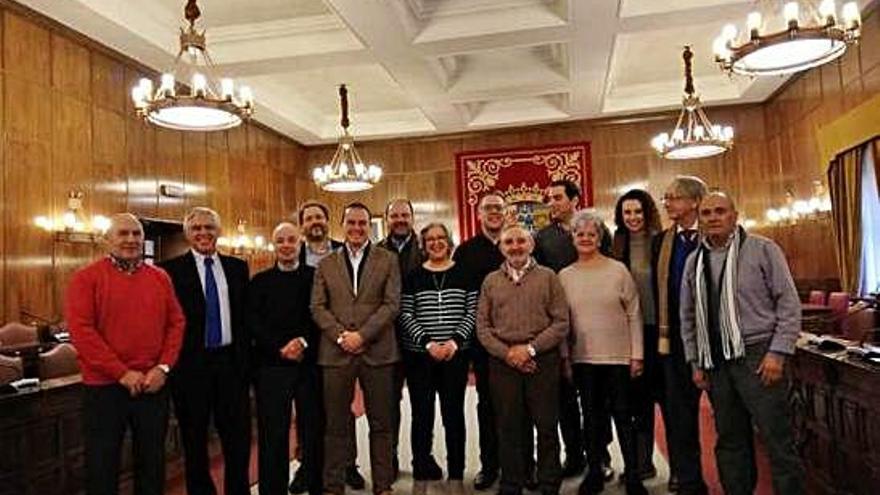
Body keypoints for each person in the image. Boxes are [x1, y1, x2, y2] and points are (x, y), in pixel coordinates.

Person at [680, 192, 805, 495]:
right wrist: (695, 362)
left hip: (759, 356)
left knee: (778, 440)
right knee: (730, 440)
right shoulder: (694, 262)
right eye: (706, 212)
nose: (712, 217)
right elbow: (687, 317)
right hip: (716, 361)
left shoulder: (762, 249)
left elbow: (788, 304)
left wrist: (778, 352)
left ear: (734, 215)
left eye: (720, 211)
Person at [65, 213, 184, 495]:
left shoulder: (160, 277)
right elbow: (82, 332)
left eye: (136, 234)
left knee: (153, 462)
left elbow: (177, 323)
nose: (131, 239)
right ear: (108, 240)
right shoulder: (86, 278)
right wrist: (121, 372)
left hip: (152, 384)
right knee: (102, 463)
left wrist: (163, 368)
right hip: (105, 388)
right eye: (123, 234)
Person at [161, 207, 252, 495]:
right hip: (191, 367)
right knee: (194, 439)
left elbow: (244, 318)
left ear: (219, 231)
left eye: (209, 227)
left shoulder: (238, 267)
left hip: (230, 365)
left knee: (237, 437)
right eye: (197, 228)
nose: (203, 233)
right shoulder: (170, 271)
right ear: (188, 234)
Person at [311, 202, 400, 495]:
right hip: (335, 354)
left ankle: (383, 484)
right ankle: (333, 484)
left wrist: (361, 335)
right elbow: (317, 306)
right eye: (351, 223)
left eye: (362, 223)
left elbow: (391, 304)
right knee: (335, 424)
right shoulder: (325, 263)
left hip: (378, 352)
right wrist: (341, 336)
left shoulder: (387, 259)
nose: (357, 228)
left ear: (369, 225)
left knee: (381, 422)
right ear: (343, 225)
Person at [559, 210, 647, 495]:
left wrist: (637, 355)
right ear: (573, 239)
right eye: (579, 234)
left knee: (624, 416)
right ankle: (594, 472)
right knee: (591, 419)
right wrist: (565, 358)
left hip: (619, 358)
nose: (585, 238)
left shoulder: (618, 270)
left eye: (591, 234)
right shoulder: (564, 276)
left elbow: (634, 314)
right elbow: (562, 322)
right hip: (583, 358)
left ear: (600, 238)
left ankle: (633, 474)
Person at [477, 224, 569, 495]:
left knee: (547, 425)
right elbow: (482, 327)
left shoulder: (549, 277)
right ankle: (512, 482)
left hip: (542, 360)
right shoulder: (490, 281)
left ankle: (549, 482)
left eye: (520, 241)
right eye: (509, 242)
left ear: (531, 244)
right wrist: (508, 354)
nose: (515, 246)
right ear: (501, 247)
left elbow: (561, 322)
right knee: (508, 426)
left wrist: (529, 350)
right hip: (503, 363)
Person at [291, 200, 364, 493]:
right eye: (309, 218)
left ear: (328, 221)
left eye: (319, 216)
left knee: (341, 408)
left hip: (338, 340)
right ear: (302, 225)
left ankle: (348, 465)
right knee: (306, 409)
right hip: (306, 344)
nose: (315, 222)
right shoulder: (292, 253)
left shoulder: (342, 252)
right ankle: (306, 466)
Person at [399, 222, 477, 495]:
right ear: (423, 245)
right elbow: (406, 314)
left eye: (440, 238)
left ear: (449, 241)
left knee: (453, 415)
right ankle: (421, 472)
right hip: (420, 356)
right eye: (429, 240)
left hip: (456, 355)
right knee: (421, 416)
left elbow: (472, 311)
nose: (435, 243)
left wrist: (454, 342)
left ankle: (456, 474)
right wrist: (429, 343)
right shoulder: (412, 276)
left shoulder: (465, 273)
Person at [533, 180, 603, 482]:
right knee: (563, 399)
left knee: (596, 398)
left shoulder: (596, 228)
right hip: (559, 326)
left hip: (596, 323)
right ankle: (573, 455)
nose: (552, 203)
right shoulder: (543, 236)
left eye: (558, 198)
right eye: (549, 199)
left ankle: (600, 456)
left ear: (575, 200)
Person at [249, 222, 322, 495]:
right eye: (281, 241)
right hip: (271, 366)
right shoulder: (260, 282)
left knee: (312, 431)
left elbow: (321, 316)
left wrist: (302, 342)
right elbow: (253, 322)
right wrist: (280, 347)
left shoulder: (316, 277)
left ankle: (315, 485)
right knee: (273, 434)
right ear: (274, 245)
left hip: (309, 365)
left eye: (292, 240)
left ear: (300, 243)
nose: (287, 245)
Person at [651, 176, 708, 494]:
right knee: (679, 416)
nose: (668, 203)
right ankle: (688, 479)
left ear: (695, 201)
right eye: (666, 197)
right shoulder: (662, 241)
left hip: (713, 340)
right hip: (672, 340)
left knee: (725, 418)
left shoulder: (713, 236)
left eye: (674, 198)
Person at [451, 192, 510, 491]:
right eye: (488, 208)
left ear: (507, 211)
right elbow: (463, 300)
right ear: (478, 214)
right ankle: (490, 466)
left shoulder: (518, 243)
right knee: (487, 405)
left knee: (520, 406)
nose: (494, 212)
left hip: (519, 340)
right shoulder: (465, 252)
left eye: (499, 208)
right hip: (483, 343)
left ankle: (522, 464)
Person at [376, 198, 436, 480]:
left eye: (404, 215)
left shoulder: (427, 250)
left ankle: (423, 460)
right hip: (385, 341)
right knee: (387, 408)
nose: (400, 219)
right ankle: (388, 461)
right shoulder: (375, 253)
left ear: (412, 217)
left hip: (420, 341)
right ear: (387, 219)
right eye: (394, 215)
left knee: (423, 406)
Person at [611, 189, 663, 481]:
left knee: (668, 400)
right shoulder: (616, 245)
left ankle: (681, 468)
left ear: (648, 213)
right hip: (629, 333)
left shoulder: (661, 242)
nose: (632, 218)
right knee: (636, 401)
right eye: (627, 212)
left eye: (638, 212)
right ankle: (642, 462)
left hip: (661, 332)